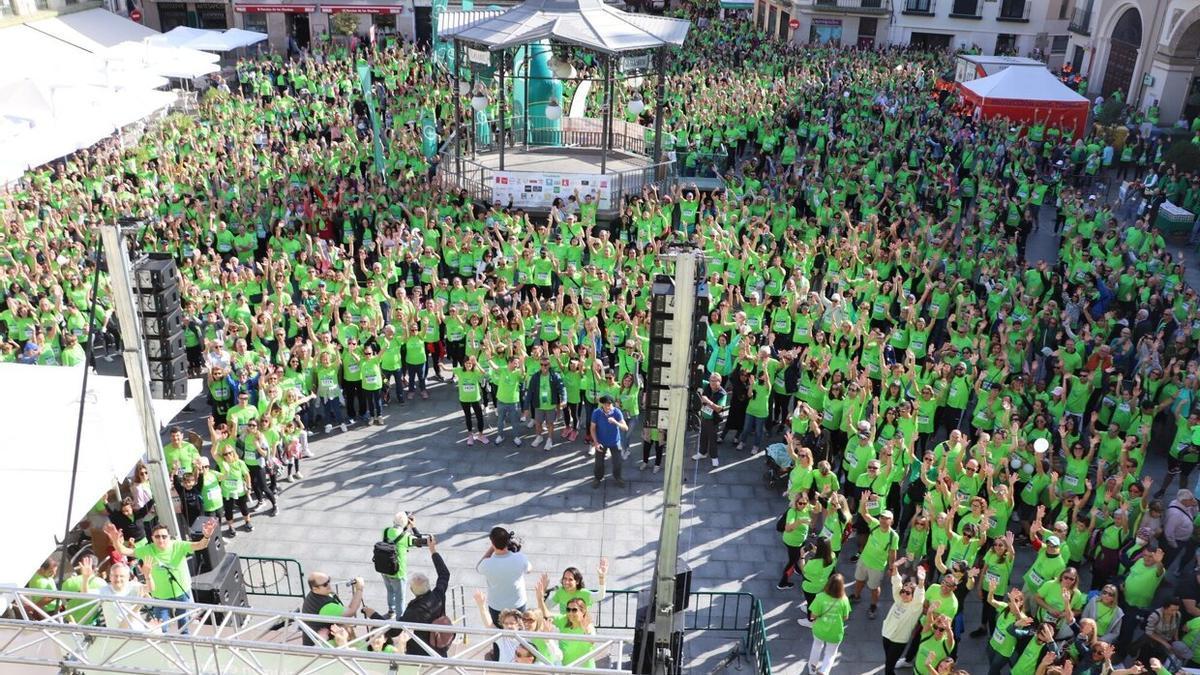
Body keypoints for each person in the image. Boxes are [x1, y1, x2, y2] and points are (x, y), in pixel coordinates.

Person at [103, 519, 217, 633]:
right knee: (161, 629)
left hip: (182, 592)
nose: (161, 539)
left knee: (184, 627)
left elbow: (200, 545)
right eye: (157, 536)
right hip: (160, 597)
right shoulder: (147, 550)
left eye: (164, 536)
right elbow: (124, 550)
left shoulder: (178, 545)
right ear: (152, 538)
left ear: (169, 537)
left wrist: (206, 536)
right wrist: (114, 540)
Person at [397, 535, 451, 657]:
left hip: (420, 653)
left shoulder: (412, 611)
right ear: (428, 585)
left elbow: (394, 630)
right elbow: (444, 574)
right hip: (439, 647)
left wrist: (373, 614)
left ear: (412, 590)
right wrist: (433, 550)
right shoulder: (438, 595)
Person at [476, 526, 532, 625]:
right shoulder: (520, 558)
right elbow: (529, 570)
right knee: (518, 632)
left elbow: (478, 567)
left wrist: (491, 549)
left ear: (492, 543)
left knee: (497, 635)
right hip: (517, 603)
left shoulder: (487, 564)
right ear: (508, 541)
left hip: (496, 606)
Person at [882, 560, 925, 675]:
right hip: (886, 634)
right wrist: (895, 567)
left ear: (913, 595)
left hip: (899, 640)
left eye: (908, 593)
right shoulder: (898, 598)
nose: (904, 594)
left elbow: (920, 597)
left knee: (888, 667)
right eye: (903, 591)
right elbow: (896, 584)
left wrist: (921, 581)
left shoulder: (914, 608)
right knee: (889, 661)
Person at [300, 573, 365, 646]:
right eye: (325, 584)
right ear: (315, 588)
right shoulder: (326, 606)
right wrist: (360, 589)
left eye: (328, 581)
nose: (328, 585)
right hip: (322, 647)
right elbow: (351, 611)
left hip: (315, 643)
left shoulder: (314, 594)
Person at [805, 573, 851, 675]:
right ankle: (824, 672)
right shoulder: (844, 600)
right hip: (835, 632)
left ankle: (812, 669)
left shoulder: (820, 597)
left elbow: (812, 616)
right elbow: (845, 617)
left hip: (819, 630)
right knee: (830, 654)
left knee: (816, 647)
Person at [379, 511, 420, 618]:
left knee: (390, 591)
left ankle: (391, 611)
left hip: (385, 568)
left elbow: (395, 535)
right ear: (406, 522)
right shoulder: (406, 537)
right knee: (400, 597)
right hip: (398, 572)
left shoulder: (386, 531)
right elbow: (420, 541)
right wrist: (413, 527)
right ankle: (400, 619)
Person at [98, 561, 155, 631]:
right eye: (115, 576)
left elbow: (150, 588)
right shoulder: (103, 590)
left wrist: (148, 575)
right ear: (110, 577)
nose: (118, 579)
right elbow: (85, 595)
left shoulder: (133, 586)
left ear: (128, 577)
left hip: (138, 632)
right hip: (116, 635)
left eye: (121, 576)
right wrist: (85, 579)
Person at [590, 395, 628, 488]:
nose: (607, 407)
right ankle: (598, 478)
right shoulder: (596, 413)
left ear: (612, 404)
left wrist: (616, 422)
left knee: (617, 462)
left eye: (609, 404)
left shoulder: (617, 412)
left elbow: (625, 428)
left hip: (615, 442)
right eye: (605, 404)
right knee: (598, 462)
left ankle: (617, 477)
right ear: (602, 404)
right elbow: (592, 428)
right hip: (601, 442)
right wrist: (596, 443)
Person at [694, 372, 728, 467]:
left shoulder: (723, 394)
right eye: (711, 380)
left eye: (715, 381)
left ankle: (714, 457)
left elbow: (719, 408)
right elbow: (697, 377)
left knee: (712, 440)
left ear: (719, 382)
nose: (712, 383)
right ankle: (702, 453)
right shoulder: (707, 384)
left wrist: (707, 401)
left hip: (713, 420)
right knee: (703, 436)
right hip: (704, 417)